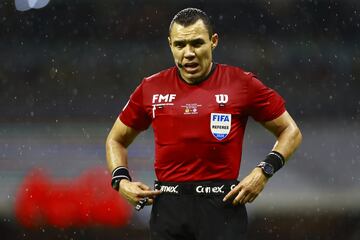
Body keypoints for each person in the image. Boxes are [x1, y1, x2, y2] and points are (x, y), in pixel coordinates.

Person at [106, 7, 302, 240]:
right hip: (168, 209)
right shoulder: (151, 88)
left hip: (222, 209)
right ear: (170, 44)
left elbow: (291, 131)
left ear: (214, 41)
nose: (188, 53)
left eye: (197, 43)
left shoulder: (241, 83)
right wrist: (120, 181)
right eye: (180, 45)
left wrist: (264, 171)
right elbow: (115, 139)